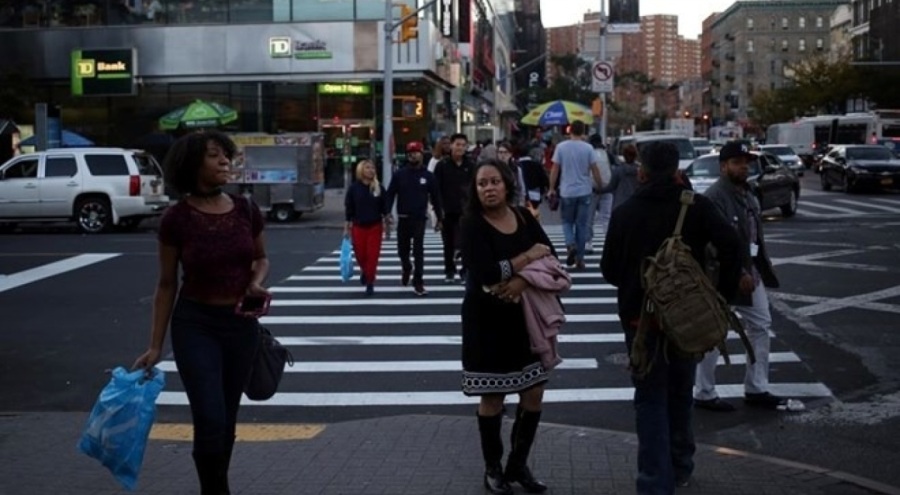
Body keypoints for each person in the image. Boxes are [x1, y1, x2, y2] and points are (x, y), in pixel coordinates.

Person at [132, 130, 270, 495]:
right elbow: (166, 284)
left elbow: (261, 257)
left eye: (226, 154)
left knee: (226, 418)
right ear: (193, 164)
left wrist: (256, 282)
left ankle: (217, 485)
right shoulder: (177, 219)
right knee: (209, 415)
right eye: (214, 155)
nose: (226, 160)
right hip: (196, 326)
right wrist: (155, 346)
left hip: (241, 327)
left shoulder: (246, 209)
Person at [600, 141, 742, 494]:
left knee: (649, 399)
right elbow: (732, 245)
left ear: (641, 172)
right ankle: (681, 466)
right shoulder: (696, 207)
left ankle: (653, 481)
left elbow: (609, 269)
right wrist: (721, 296)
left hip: (640, 323)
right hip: (687, 321)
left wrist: (637, 283)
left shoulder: (625, 212)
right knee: (681, 392)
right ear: (678, 170)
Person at [460, 159, 557, 495]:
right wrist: (527, 257)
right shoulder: (472, 224)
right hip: (485, 321)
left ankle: (518, 466)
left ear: (506, 184)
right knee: (493, 396)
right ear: (475, 190)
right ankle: (493, 469)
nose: (489, 188)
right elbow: (486, 273)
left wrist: (518, 281)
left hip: (525, 320)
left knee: (533, 392)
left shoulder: (523, 217)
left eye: (494, 182)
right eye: (482, 183)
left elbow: (551, 254)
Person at [693, 142, 800, 412]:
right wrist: (738, 271)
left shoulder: (749, 193)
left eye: (746, 162)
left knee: (761, 326)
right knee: (714, 333)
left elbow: (754, 237)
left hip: (752, 275)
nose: (744, 166)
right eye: (738, 162)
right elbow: (712, 243)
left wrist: (755, 268)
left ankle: (757, 387)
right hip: (723, 277)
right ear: (724, 166)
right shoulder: (715, 196)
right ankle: (704, 392)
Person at [385, 141, 442, 296]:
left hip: (419, 219)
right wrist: (387, 213)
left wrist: (439, 219)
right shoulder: (400, 175)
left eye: (416, 152)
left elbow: (436, 198)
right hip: (403, 218)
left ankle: (418, 281)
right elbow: (390, 194)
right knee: (402, 250)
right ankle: (406, 267)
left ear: (422, 154)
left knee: (419, 251)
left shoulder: (428, 176)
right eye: (410, 153)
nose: (413, 156)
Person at [548, 121, 602, 269]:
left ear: (570, 130)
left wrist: (551, 188)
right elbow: (595, 169)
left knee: (566, 222)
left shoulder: (561, 147)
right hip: (585, 191)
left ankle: (570, 244)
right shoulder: (588, 148)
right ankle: (580, 259)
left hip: (567, 191)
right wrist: (600, 185)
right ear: (583, 131)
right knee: (582, 225)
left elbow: (555, 169)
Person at [433, 133, 475, 284]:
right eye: (457, 144)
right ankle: (449, 270)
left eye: (463, 145)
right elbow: (436, 189)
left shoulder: (471, 166)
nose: (460, 148)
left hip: (466, 210)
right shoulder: (442, 166)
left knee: (465, 242)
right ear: (450, 145)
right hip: (447, 210)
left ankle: (465, 271)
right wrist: (438, 210)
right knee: (448, 243)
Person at [344, 159, 389, 296]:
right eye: (367, 168)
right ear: (361, 170)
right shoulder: (354, 188)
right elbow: (349, 208)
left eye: (372, 168)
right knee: (361, 255)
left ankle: (370, 281)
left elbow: (385, 206)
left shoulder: (378, 187)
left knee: (372, 256)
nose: (371, 170)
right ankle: (365, 271)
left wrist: (387, 220)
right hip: (358, 226)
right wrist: (346, 227)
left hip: (375, 226)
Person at [586, 134, 614, 253]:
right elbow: (615, 168)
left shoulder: (589, 154)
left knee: (589, 217)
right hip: (607, 189)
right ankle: (609, 242)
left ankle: (588, 243)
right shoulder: (607, 154)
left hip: (592, 190)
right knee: (606, 218)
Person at [601, 143, 641, 209]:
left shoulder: (619, 170)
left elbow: (611, 186)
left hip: (620, 203)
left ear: (624, 155)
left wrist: (599, 190)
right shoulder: (639, 171)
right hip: (636, 202)